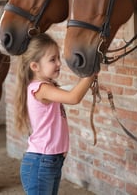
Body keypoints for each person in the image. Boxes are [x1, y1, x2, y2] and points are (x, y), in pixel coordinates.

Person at [14, 33, 96, 195]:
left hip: (50, 161)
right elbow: (73, 97)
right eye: (53, 60)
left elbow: (69, 90)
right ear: (35, 66)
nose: (59, 63)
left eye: (58, 58)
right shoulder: (41, 88)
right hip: (41, 162)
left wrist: (89, 84)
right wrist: (91, 73)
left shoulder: (46, 87)